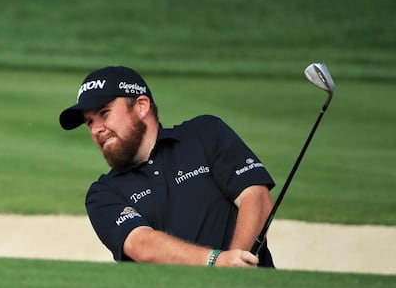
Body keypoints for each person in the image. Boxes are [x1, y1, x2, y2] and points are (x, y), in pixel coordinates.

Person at [59, 66, 275, 268]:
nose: (96, 129)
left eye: (104, 113)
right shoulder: (103, 193)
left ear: (141, 106)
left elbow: (256, 197)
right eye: (89, 122)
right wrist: (216, 262)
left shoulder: (204, 134)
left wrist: (236, 262)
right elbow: (141, 245)